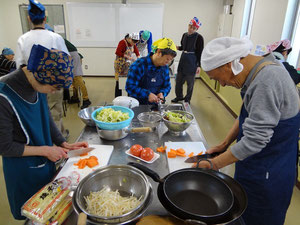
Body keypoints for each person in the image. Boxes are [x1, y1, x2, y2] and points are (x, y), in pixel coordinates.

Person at [196, 37, 300, 225]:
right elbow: (247, 114)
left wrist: (214, 164)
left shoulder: (267, 80)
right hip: (253, 164)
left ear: (228, 65)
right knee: (241, 214)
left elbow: (255, 140)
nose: (223, 84)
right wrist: (224, 144)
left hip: (269, 173)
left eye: (217, 78)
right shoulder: (258, 69)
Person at [0, 44, 88, 220]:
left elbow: (45, 116)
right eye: (54, 88)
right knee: (33, 214)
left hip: (45, 159)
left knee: (49, 209)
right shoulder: (4, 96)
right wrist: (46, 150)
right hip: (23, 170)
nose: (55, 92)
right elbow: (4, 147)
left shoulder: (37, 81)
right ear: (39, 77)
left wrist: (62, 142)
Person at [15, 0, 69, 138]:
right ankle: (57, 142)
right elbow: (65, 61)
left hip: (31, 85)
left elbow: (19, 66)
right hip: (53, 83)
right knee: (54, 113)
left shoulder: (23, 39)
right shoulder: (55, 37)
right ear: (45, 18)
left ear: (29, 19)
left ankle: (46, 139)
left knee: (36, 114)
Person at [125, 38, 176, 104]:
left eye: (170, 60)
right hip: (139, 105)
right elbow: (130, 87)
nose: (168, 62)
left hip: (156, 106)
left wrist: (162, 93)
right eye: (167, 59)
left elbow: (167, 86)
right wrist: (147, 94)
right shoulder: (139, 65)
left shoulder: (165, 68)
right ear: (158, 52)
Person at [171, 17, 204, 104]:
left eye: (194, 28)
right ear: (188, 25)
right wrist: (178, 47)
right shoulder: (184, 35)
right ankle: (179, 96)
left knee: (190, 83)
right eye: (190, 27)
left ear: (196, 29)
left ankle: (187, 99)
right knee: (178, 81)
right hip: (183, 59)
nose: (191, 29)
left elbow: (200, 52)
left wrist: (198, 66)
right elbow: (183, 47)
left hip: (192, 61)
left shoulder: (199, 38)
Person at [64, 39, 91, 109]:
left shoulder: (55, 39)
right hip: (71, 56)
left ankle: (86, 99)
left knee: (78, 78)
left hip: (73, 56)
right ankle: (75, 97)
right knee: (73, 79)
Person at [114, 32, 140, 97]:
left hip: (127, 64)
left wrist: (138, 57)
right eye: (133, 42)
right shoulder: (122, 42)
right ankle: (118, 96)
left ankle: (128, 95)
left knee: (128, 80)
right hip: (120, 64)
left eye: (135, 43)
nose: (134, 44)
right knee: (119, 81)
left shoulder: (133, 43)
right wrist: (128, 57)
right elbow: (117, 52)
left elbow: (136, 51)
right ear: (130, 39)